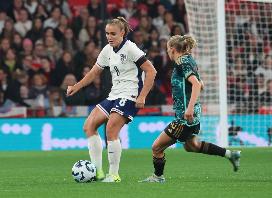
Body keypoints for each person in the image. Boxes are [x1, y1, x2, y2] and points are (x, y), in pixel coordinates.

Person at [139, 35, 241, 183]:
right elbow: (199, 83)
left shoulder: (181, 62)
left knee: (156, 147)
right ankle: (231, 154)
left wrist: (189, 108)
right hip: (193, 116)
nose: (168, 52)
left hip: (185, 117)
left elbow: (197, 84)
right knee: (192, 146)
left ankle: (158, 177)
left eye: (168, 49)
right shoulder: (189, 60)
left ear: (173, 49)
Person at [66, 16, 157, 182]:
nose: (109, 37)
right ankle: (97, 172)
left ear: (122, 33)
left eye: (113, 33)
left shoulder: (131, 48)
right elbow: (94, 72)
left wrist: (142, 95)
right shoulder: (107, 50)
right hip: (114, 95)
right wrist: (76, 86)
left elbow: (151, 71)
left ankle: (114, 175)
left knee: (110, 130)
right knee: (89, 126)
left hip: (130, 95)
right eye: (107, 33)